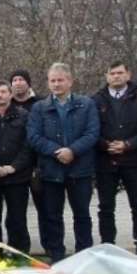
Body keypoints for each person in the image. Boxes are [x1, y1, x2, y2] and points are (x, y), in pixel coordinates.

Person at [27, 63, 100, 261]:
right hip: (51, 169)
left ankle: (84, 255)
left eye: (60, 80)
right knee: (52, 216)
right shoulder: (39, 108)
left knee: (82, 215)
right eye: (53, 80)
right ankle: (57, 255)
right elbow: (33, 136)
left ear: (70, 81)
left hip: (80, 168)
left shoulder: (86, 104)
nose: (56, 84)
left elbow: (92, 133)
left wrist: (72, 151)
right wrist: (56, 151)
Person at [93, 61, 137, 257]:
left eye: (120, 73)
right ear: (106, 76)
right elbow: (92, 130)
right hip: (105, 160)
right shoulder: (96, 100)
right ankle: (107, 245)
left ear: (128, 74)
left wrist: (127, 144)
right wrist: (106, 145)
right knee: (106, 206)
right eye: (112, 73)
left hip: (133, 159)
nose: (116, 76)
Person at [0, 81, 33, 254]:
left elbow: (28, 145)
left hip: (17, 176)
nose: (0, 95)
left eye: (3, 92)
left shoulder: (23, 115)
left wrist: (13, 167)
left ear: (10, 94)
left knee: (17, 218)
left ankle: (19, 253)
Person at [10, 68, 47, 254]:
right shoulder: (6, 105)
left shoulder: (40, 103)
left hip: (39, 163)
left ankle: (49, 245)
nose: (18, 83)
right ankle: (20, 247)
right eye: (14, 80)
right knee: (17, 211)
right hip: (15, 166)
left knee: (45, 208)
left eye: (21, 79)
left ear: (28, 83)